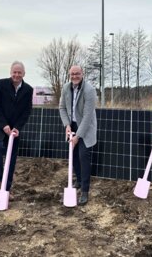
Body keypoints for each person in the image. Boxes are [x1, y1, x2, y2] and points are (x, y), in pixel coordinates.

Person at [0, 61, 33, 198]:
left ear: (24, 74)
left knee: (11, 156)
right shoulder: (0, 84)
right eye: (14, 72)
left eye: (19, 72)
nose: (16, 75)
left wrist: (17, 128)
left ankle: (6, 188)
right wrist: (4, 125)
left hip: (14, 128)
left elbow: (26, 111)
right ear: (10, 72)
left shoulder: (28, 90)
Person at [59, 65, 97, 205]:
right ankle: (79, 181)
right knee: (73, 156)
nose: (74, 76)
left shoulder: (89, 90)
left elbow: (87, 116)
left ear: (82, 74)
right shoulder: (65, 88)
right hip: (72, 125)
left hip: (86, 128)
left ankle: (85, 191)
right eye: (72, 74)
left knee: (83, 157)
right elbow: (62, 108)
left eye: (77, 74)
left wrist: (78, 136)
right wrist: (67, 125)